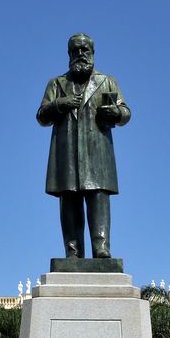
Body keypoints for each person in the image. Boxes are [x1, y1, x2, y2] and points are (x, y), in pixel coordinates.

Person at [36, 33, 130, 258]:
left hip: (97, 154)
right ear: (69, 54)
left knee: (98, 197)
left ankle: (102, 248)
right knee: (69, 201)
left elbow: (125, 112)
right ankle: (73, 252)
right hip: (66, 153)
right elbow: (41, 116)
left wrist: (115, 112)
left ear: (92, 53)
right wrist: (60, 104)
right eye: (75, 50)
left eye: (84, 50)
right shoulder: (57, 84)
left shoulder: (107, 81)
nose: (80, 54)